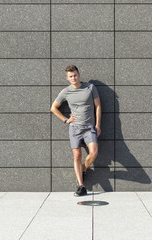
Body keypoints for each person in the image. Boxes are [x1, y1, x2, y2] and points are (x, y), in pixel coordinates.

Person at [51, 65, 101, 197]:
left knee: (94, 153)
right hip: (75, 128)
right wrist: (66, 119)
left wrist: (98, 125)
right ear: (67, 78)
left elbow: (98, 106)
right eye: (71, 76)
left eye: (75, 75)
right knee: (77, 156)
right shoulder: (66, 92)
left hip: (89, 127)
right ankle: (81, 186)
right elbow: (53, 108)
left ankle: (84, 168)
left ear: (79, 74)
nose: (74, 78)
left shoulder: (90, 87)